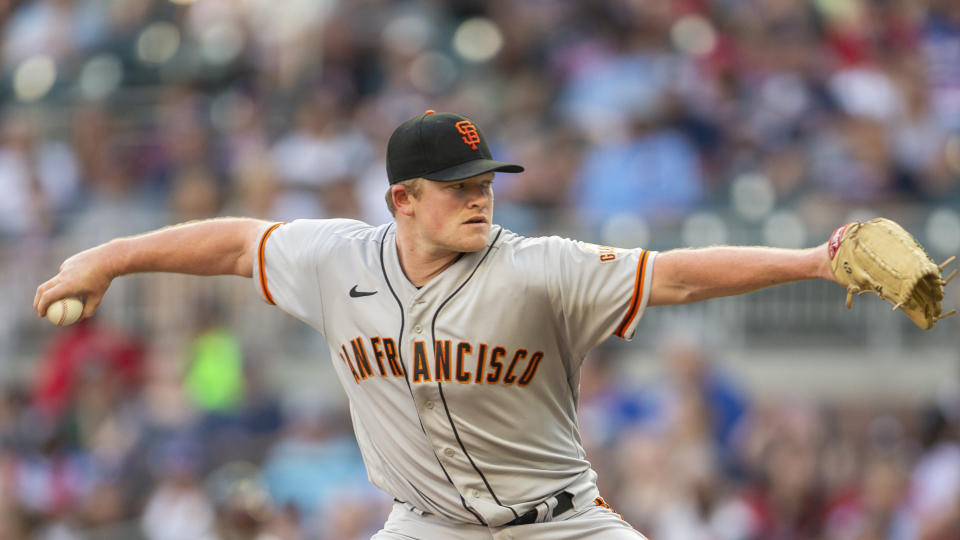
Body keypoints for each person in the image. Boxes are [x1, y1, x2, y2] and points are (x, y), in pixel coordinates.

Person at [35, 110, 836, 539]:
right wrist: (109, 258)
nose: (479, 196)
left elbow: (676, 274)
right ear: (402, 200)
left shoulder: (536, 265)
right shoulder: (336, 259)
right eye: (456, 186)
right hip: (427, 529)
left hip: (558, 525)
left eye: (485, 179)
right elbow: (237, 244)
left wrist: (812, 262)